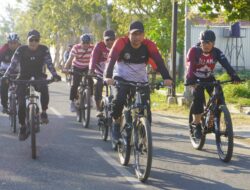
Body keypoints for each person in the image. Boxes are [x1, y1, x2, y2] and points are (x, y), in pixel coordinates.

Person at [104, 21, 172, 142]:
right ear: (128, 34)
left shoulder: (149, 45)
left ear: (143, 35)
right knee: (119, 100)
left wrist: (167, 78)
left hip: (141, 80)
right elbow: (111, 59)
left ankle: (144, 136)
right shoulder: (121, 42)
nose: (137, 37)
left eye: (140, 34)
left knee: (146, 108)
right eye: (134, 34)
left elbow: (159, 61)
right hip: (121, 77)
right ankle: (115, 124)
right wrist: (108, 76)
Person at [3, 29, 61, 140]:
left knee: (44, 87)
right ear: (27, 40)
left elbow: (49, 64)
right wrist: (6, 75)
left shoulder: (44, 49)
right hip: (23, 78)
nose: (33, 42)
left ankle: (43, 112)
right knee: (20, 103)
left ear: (39, 41)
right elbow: (13, 64)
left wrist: (55, 75)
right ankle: (22, 126)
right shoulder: (21, 50)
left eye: (36, 40)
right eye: (31, 40)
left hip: (39, 76)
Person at [186, 29, 241, 138]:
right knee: (198, 97)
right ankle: (196, 124)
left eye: (208, 43)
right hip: (195, 78)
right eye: (203, 42)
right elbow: (190, 66)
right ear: (200, 42)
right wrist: (190, 80)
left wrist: (234, 76)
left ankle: (217, 120)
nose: (205, 45)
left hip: (208, 77)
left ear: (213, 43)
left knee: (219, 96)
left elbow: (226, 64)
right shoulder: (194, 51)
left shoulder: (217, 52)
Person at [64, 34, 94, 112]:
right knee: (75, 84)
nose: (86, 45)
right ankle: (72, 102)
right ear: (81, 42)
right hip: (77, 67)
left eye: (87, 43)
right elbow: (70, 59)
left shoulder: (92, 48)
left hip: (87, 67)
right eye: (84, 43)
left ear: (89, 43)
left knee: (91, 81)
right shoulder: (76, 48)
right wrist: (66, 68)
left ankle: (90, 97)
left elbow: (95, 59)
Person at [89, 29, 116, 117]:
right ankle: (98, 109)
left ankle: (115, 107)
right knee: (98, 85)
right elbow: (93, 59)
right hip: (100, 73)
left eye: (112, 39)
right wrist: (91, 70)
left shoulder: (117, 46)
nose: (110, 42)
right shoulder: (99, 46)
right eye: (107, 39)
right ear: (103, 39)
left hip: (113, 73)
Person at [0, 33, 21, 113]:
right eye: (10, 43)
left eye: (15, 43)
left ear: (18, 43)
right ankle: (5, 106)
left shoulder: (22, 49)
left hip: (18, 70)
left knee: (23, 84)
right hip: (4, 70)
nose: (12, 45)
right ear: (8, 43)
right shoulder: (3, 49)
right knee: (3, 83)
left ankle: (21, 101)